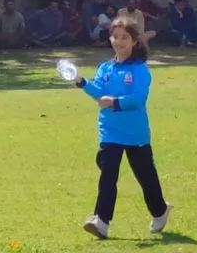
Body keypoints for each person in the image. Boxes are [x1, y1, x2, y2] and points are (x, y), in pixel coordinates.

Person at [67, 17, 172, 239]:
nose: (119, 41)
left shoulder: (139, 69)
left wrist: (114, 102)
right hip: (109, 131)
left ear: (134, 41)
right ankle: (101, 221)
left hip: (135, 133)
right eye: (115, 36)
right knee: (108, 175)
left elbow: (138, 97)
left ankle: (160, 210)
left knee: (146, 178)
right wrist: (81, 82)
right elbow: (98, 91)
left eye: (125, 37)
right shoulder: (105, 67)